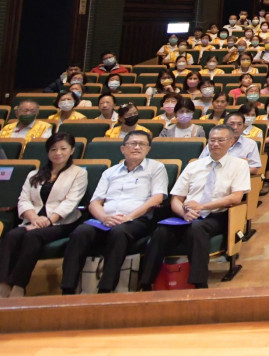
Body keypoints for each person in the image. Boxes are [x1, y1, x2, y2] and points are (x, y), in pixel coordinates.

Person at [139, 125, 251, 290]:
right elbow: (176, 198)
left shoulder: (239, 165)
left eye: (221, 140)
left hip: (216, 215)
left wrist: (202, 206)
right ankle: (145, 283)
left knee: (197, 229)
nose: (215, 144)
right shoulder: (194, 166)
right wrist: (184, 213)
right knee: (161, 232)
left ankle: (199, 284)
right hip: (187, 214)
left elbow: (236, 198)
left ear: (231, 142)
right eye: (212, 140)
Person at [61, 131, 167, 294]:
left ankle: (106, 287)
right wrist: (104, 217)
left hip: (137, 220)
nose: (137, 147)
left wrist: (129, 217)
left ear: (148, 149)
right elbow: (95, 202)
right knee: (80, 233)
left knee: (119, 233)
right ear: (123, 149)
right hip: (106, 219)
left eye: (142, 144)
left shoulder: (156, 168)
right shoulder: (110, 172)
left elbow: (157, 198)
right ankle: (67, 288)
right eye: (132, 143)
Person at [0, 134, 87, 298]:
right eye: (53, 149)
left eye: (63, 148)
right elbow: (23, 199)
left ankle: (19, 285)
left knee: (33, 237)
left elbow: (71, 202)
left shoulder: (79, 173)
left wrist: (48, 220)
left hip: (62, 222)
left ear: (72, 150)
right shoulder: (34, 174)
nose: (58, 153)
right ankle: (3, 284)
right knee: (11, 236)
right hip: (32, 220)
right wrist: (33, 218)